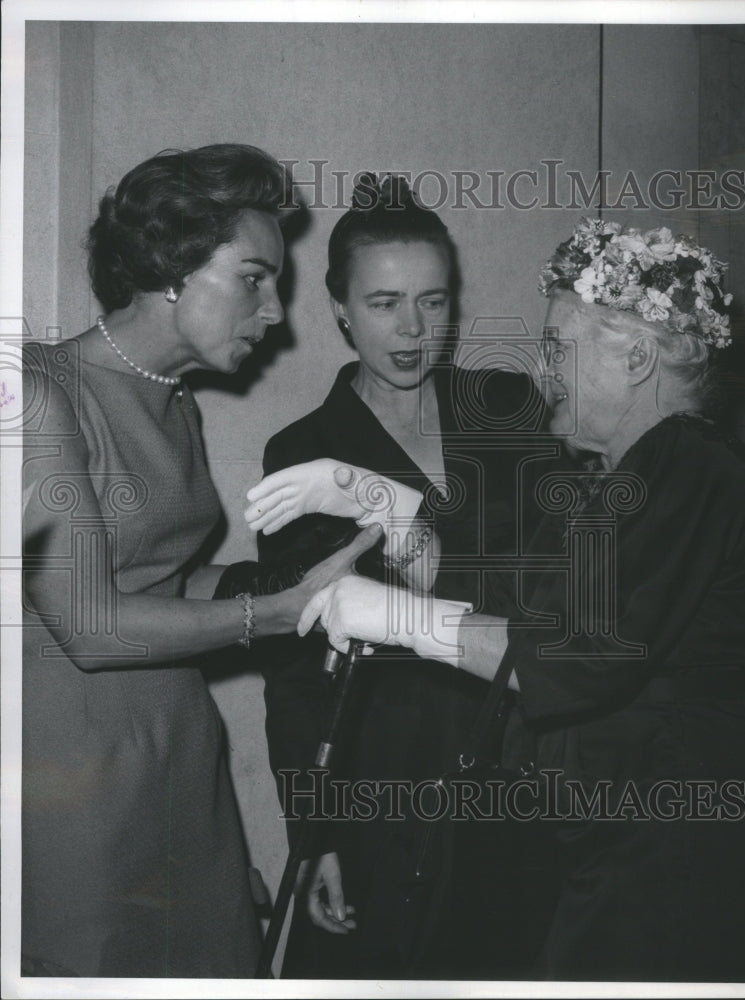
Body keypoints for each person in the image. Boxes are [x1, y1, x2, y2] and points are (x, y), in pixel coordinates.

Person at [288, 218, 745, 982]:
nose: (544, 370)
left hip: (674, 846)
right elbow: (527, 611)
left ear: (636, 357)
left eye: (560, 346)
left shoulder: (688, 463)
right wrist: (400, 515)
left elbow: (571, 656)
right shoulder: (638, 473)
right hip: (625, 838)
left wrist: (397, 617)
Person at [20, 144, 381, 978]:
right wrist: (279, 614)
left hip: (179, 762)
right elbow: (93, 626)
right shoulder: (36, 394)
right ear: (174, 269)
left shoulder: (174, 398)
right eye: (254, 279)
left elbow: (169, 582)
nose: (277, 313)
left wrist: (312, 583)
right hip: (72, 782)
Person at [245, 174, 558, 978]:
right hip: (383, 779)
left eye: (434, 300)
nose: (414, 329)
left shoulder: (508, 404)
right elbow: (293, 669)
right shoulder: (302, 450)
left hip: (521, 761)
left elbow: (557, 586)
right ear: (340, 308)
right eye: (384, 303)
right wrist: (316, 836)